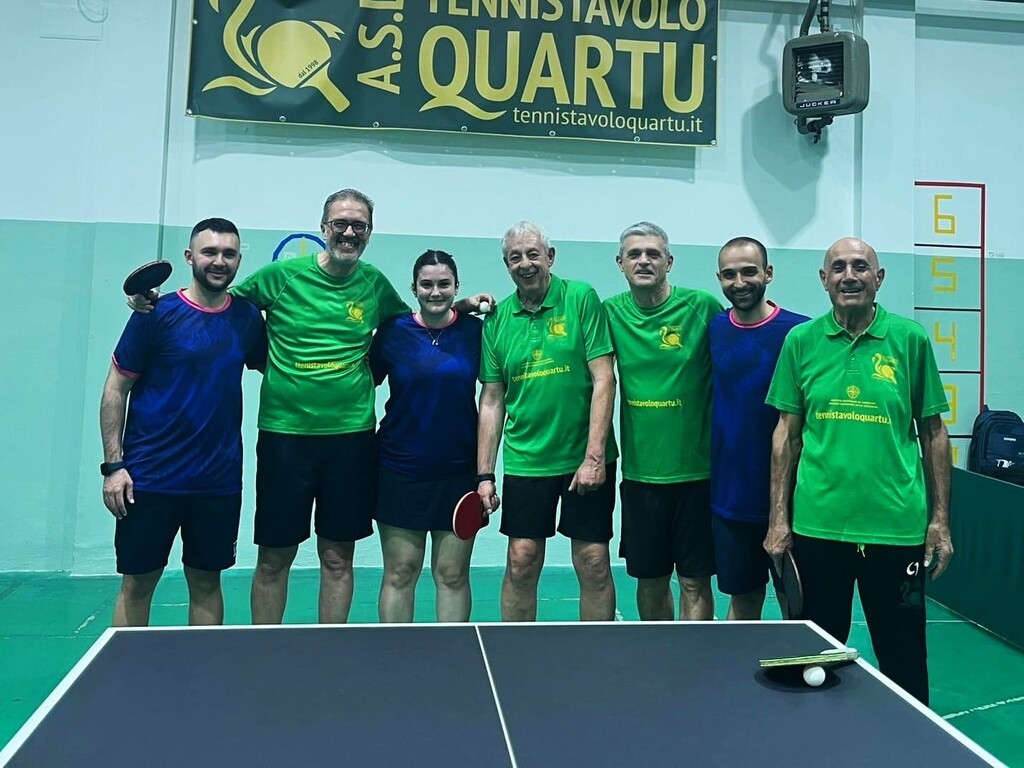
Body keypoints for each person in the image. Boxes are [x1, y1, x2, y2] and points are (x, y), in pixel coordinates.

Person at [130, 190, 492, 625]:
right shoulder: (280, 277)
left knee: (338, 557)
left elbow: (419, 320)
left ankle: (331, 650)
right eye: (340, 223)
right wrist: (153, 303)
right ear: (324, 228)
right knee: (273, 558)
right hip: (285, 438)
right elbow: (215, 300)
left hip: (351, 440)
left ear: (369, 233)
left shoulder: (374, 284)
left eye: (359, 225)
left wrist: (462, 307)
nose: (349, 232)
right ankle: (266, 649)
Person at [764, 236, 954, 704]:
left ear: (878, 278)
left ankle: (909, 738)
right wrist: (778, 519)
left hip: (895, 527)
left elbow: (933, 431)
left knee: (904, 658)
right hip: (818, 526)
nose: (849, 276)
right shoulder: (801, 341)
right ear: (824, 279)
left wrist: (939, 520)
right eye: (839, 267)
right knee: (814, 658)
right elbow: (786, 434)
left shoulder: (909, 339)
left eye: (860, 266)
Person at [100, 218, 266, 626]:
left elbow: (281, 365)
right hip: (149, 478)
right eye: (210, 252)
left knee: (207, 582)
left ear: (239, 260)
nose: (219, 261)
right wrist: (114, 467)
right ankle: (129, 664)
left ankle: (205, 666)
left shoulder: (247, 319)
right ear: (190, 257)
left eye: (229, 254)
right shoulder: (155, 313)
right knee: (138, 583)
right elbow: (116, 389)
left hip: (217, 480)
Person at [476, 221, 617, 621]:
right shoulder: (497, 320)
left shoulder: (581, 298)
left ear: (550, 257)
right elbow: (492, 400)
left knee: (593, 561)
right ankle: (516, 648)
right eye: (515, 257)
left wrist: (594, 457)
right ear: (507, 265)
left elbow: (604, 378)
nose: (525, 264)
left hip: (583, 460)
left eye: (533, 254)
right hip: (527, 459)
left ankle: (598, 646)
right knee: (522, 558)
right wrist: (484, 475)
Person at [604, 222, 722, 621]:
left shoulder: (702, 306)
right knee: (650, 581)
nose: (644, 261)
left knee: (694, 581)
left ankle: (695, 654)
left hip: (697, 475)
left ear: (669, 262)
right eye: (634, 254)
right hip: (641, 476)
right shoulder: (609, 312)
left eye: (653, 254)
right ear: (620, 263)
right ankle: (659, 652)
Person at [370, 250, 482, 622]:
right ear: (414, 288)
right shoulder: (393, 332)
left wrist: (485, 474)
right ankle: (395, 651)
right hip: (399, 469)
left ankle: (454, 651)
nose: (435, 292)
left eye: (444, 284)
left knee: (452, 574)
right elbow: (362, 383)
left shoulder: (475, 332)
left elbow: (495, 395)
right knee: (401, 571)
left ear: (456, 287)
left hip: (459, 472)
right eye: (427, 284)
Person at [709, 237, 809, 620]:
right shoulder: (715, 329)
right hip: (731, 500)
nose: (739, 282)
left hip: (794, 501)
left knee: (796, 606)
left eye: (749, 272)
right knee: (742, 603)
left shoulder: (800, 333)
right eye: (729, 274)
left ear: (768, 273)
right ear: (719, 278)